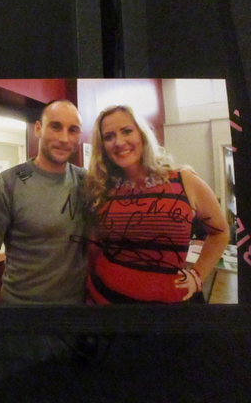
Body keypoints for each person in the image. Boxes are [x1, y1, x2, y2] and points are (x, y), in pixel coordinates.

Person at [84, 105, 229, 304]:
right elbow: (93, 248)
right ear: (103, 147)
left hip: (165, 312)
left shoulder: (184, 180)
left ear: (142, 134)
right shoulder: (102, 188)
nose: (119, 142)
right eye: (109, 137)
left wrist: (197, 275)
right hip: (102, 301)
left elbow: (220, 232)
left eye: (127, 131)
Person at [0, 100, 87, 304]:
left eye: (72, 130)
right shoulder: (6, 184)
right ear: (38, 129)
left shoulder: (86, 181)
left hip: (76, 311)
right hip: (21, 312)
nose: (64, 138)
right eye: (55, 126)